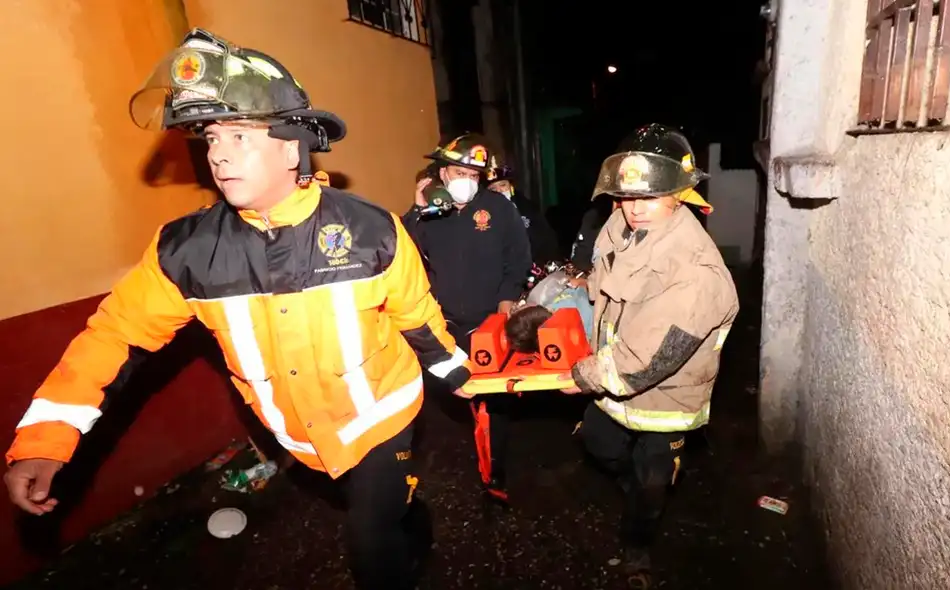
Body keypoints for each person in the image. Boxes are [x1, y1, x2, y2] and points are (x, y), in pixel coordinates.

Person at [3, 29, 471, 590]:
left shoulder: (371, 230)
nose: (219, 154)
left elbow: (415, 313)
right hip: (303, 441)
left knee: (372, 548)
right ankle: (405, 513)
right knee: (384, 512)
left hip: (382, 423)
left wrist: (456, 373)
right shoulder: (187, 252)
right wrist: (45, 437)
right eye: (211, 138)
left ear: (292, 145)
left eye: (241, 136)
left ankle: (396, 526)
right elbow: (114, 337)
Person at [558, 124, 737, 589]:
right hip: (614, 387)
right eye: (626, 196)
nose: (634, 207)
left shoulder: (696, 272)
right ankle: (631, 485)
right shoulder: (619, 228)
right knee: (600, 446)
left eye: (649, 197)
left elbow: (647, 362)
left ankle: (637, 552)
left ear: (679, 195)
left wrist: (583, 374)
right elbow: (605, 287)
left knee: (652, 484)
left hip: (664, 403)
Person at [402, 134, 532, 504]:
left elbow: (519, 258)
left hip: (489, 319)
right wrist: (416, 210)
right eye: (460, 172)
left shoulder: (498, 209)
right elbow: (403, 255)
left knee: (492, 403)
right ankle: (480, 434)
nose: (467, 181)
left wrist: (507, 302)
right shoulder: (429, 213)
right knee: (458, 389)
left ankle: (495, 475)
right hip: (445, 324)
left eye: (474, 175)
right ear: (442, 172)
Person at [504, 267, 595, 353]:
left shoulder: (550, 315)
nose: (519, 306)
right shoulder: (581, 319)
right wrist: (581, 283)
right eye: (519, 309)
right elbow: (587, 287)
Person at [486, 162, 561, 265]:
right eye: (493, 189)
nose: (499, 191)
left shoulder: (527, 208)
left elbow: (546, 239)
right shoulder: (482, 215)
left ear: (511, 186)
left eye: (503, 185)